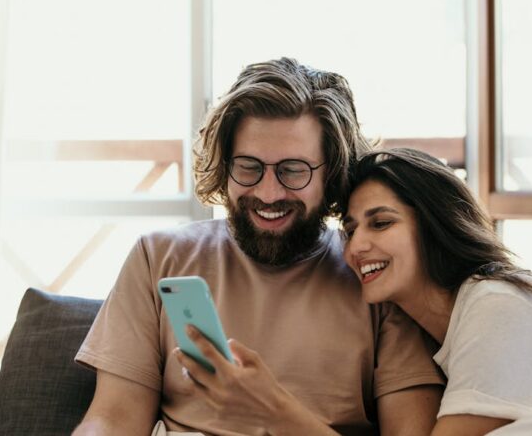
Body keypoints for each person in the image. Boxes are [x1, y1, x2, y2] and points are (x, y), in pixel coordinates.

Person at [72, 59, 444, 436]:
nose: (269, 193)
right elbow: (112, 418)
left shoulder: (377, 276)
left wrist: (273, 409)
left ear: (331, 172)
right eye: (249, 167)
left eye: (293, 170)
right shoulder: (158, 257)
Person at [341, 148, 532, 436]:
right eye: (350, 230)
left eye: (381, 223)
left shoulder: (498, 306)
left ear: (436, 225)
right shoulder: (441, 325)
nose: (356, 247)